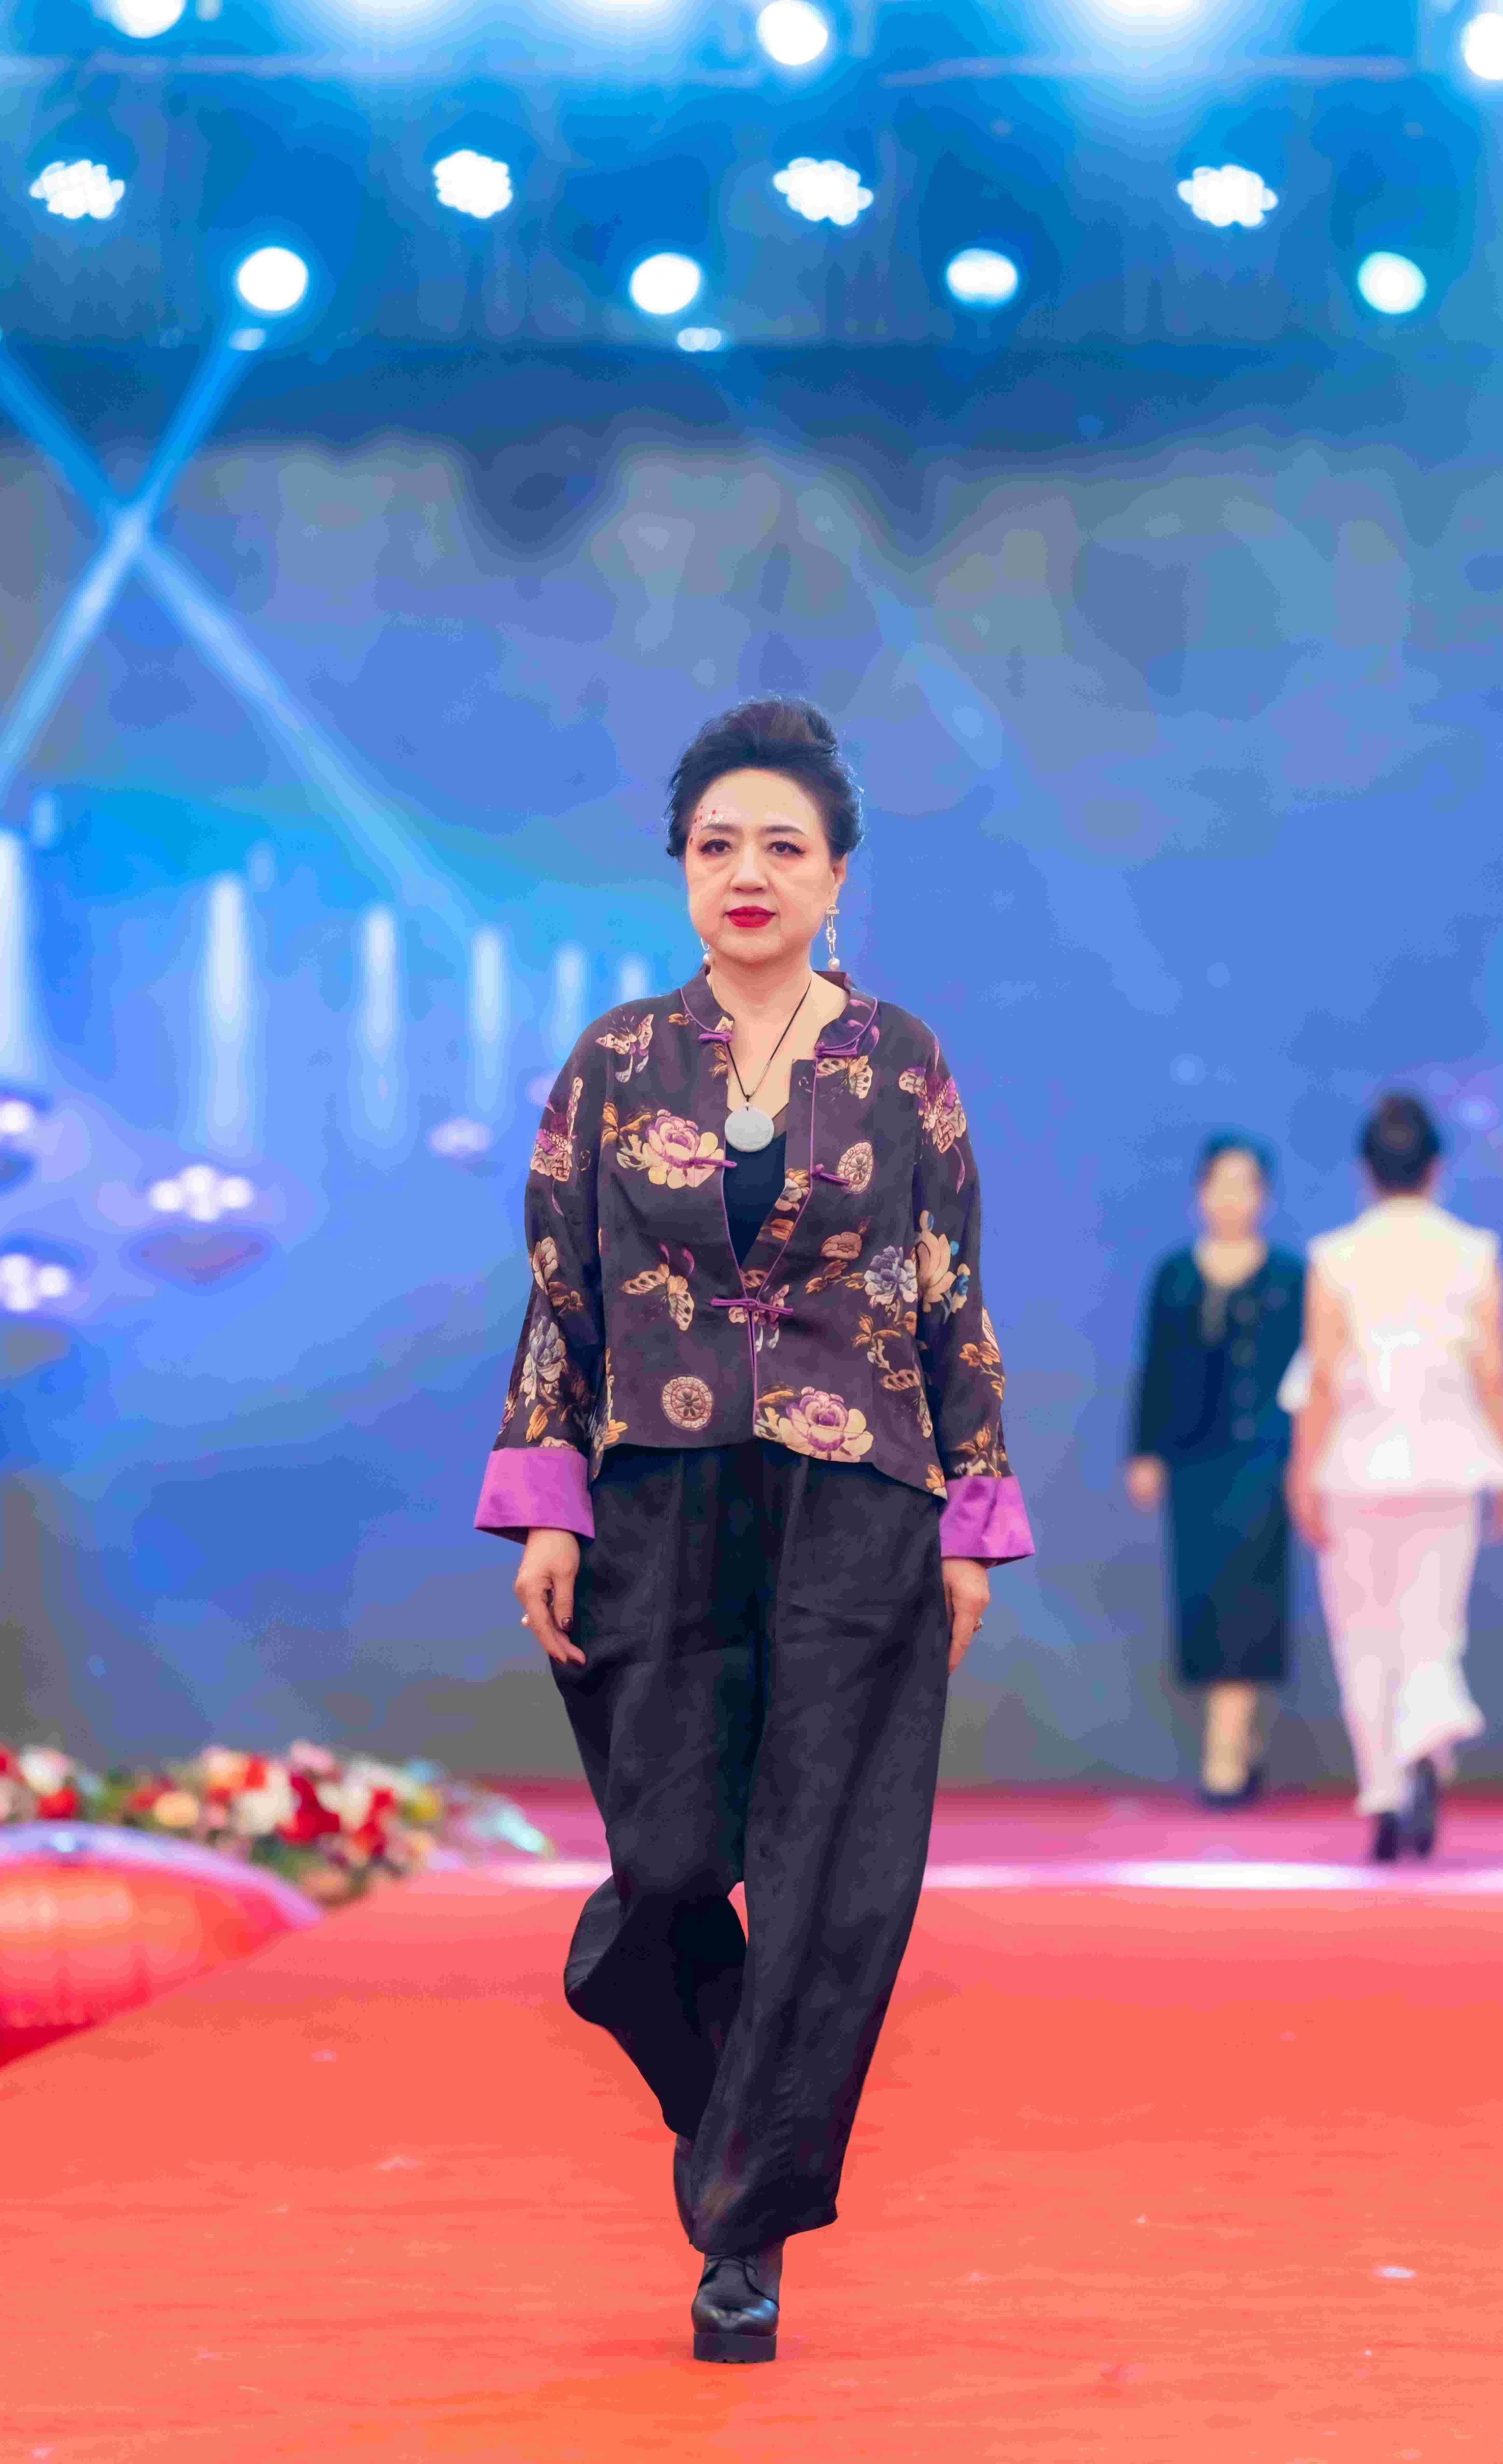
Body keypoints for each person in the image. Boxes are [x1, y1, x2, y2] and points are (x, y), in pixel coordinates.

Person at [474, 697, 1032, 2364]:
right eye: (718, 843)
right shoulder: (615, 1061)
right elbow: (561, 1295)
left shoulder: (903, 1060)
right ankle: (734, 2120)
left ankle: (747, 2233)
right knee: (663, 1873)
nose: (749, 871)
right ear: (681, 871)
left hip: (860, 1497)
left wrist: (972, 1516)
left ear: (838, 875)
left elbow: (952, 1294)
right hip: (659, 1495)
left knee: (822, 1882)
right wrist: (545, 1502)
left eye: (784, 845)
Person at [1285, 1092, 1503, 1863]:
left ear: (1365, 1173)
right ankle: (1426, 1739)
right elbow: (1493, 1372)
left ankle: (1386, 1795)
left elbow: (1323, 1377)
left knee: (1364, 1635)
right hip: (1450, 1461)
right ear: (1437, 1170)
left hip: (1357, 1464)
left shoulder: (1336, 1256)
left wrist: (1302, 1474)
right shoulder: (1474, 1252)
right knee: (1433, 1626)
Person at [1125, 1137, 1304, 1804]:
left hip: (1267, 1458)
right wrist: (1146, 1452)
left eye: (1246, 1185)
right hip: (1194, 1462)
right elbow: (1155, 1368)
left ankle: (1223, 1755)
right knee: (1204, 1594)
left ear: (1265, 1196)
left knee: (1251, 1592)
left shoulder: (1291, 1276)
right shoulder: (1175, 1274)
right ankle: (1240, 1740)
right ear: (1200, 1193)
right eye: (1220, 1184)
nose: (1232, 1198)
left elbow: (1312, 1373)